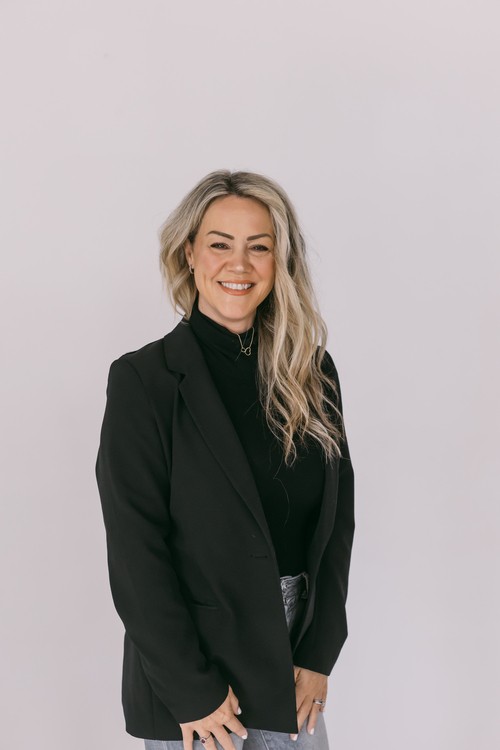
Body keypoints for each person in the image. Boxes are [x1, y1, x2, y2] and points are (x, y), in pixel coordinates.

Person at [95, 169, 355, 750]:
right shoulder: (144, 380)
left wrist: (320, 652)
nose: (239, 264)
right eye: (220, 244)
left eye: (259, 247)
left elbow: (336, 523)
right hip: (195, 671)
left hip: (293, 661)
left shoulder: (312, 373)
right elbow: (136, 552)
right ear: (189, 253)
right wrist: (190, 688)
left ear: (279, 261)